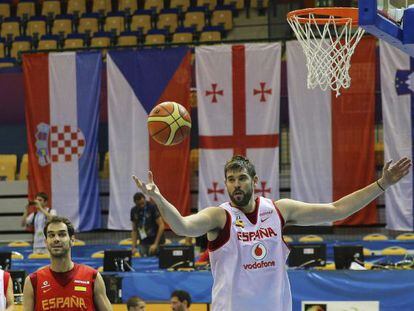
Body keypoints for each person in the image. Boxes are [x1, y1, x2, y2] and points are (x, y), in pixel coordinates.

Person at [133, 155, 411, 311]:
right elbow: (182, 225)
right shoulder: (219, 216)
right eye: (231, 180)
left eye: (242, 178)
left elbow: (337, 209)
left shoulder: (280, 210)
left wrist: (382, 184)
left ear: (255, 181)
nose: (236, 185)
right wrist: (159, 199)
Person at [22, 216, 112, 311]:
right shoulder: (33, 281)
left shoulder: (92, 277)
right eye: (51, 235)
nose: (56, 239)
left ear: (72, 240)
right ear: (46, 242)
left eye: (62, 234)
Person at [130, 192, 165, 256]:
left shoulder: (152, 207)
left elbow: (161, 225)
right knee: (144, 260)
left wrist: (155, 244)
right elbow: (134, 230)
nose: (141, 205)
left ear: (145, 199)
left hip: (156, 240)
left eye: (142, 203)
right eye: (139, 204)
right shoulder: (134, 211)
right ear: (135, 203)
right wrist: (133, 247)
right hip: (144, 241)